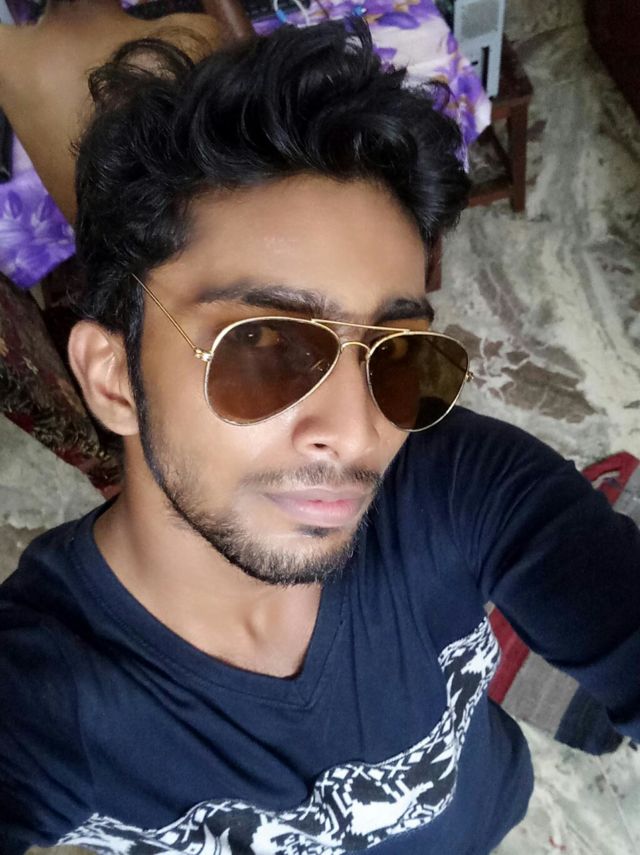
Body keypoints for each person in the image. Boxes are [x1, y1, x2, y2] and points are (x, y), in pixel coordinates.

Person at [1, 18, 639, 855]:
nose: (358, 430)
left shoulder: (455, 481)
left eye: (396, 353)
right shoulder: (45, 696)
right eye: (264, 344)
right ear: (115, 376)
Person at [0, 0, 253, 222]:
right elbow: (255, 102)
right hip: (188, 239)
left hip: (102, 252)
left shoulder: (7, 53)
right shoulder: (193, 33)